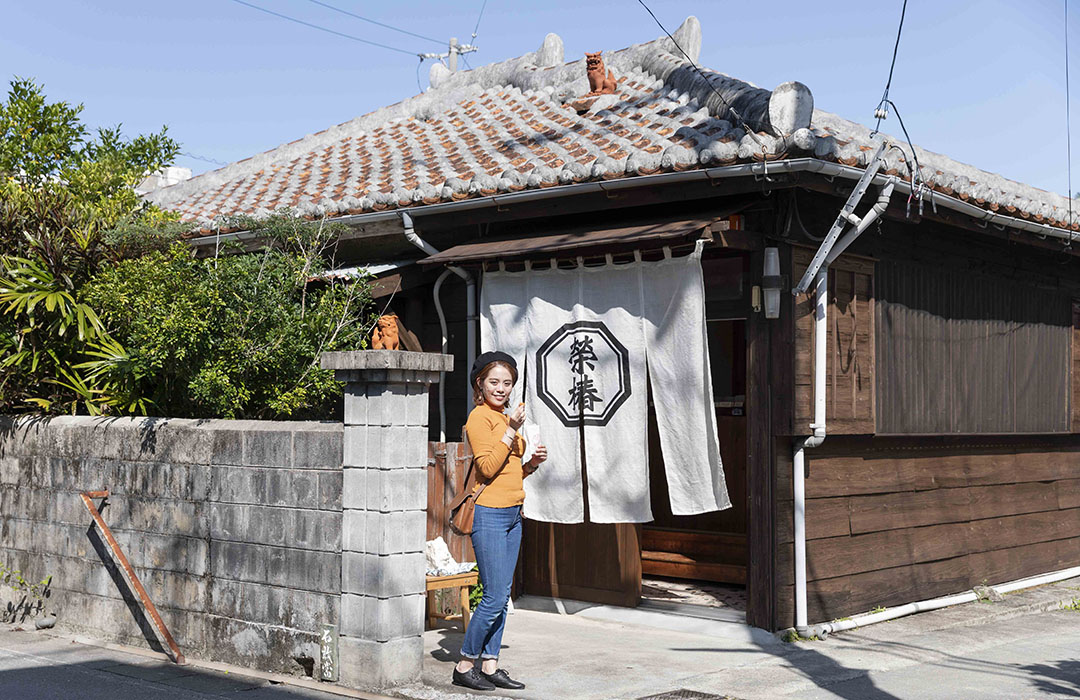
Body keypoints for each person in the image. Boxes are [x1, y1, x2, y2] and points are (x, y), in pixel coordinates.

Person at [452, 351, 547, 692]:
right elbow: (487, 468)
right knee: (493, 595)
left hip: (512, 513)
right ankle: (465, 664)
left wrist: (532, 463)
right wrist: (512, 431)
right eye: (494, 382)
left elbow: (510, 473)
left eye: (507, 383)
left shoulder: (507, 418)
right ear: (480, 384)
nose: (501, 389)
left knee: (503, 593)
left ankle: (490, 664)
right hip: (489, 514)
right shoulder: (479, 419)